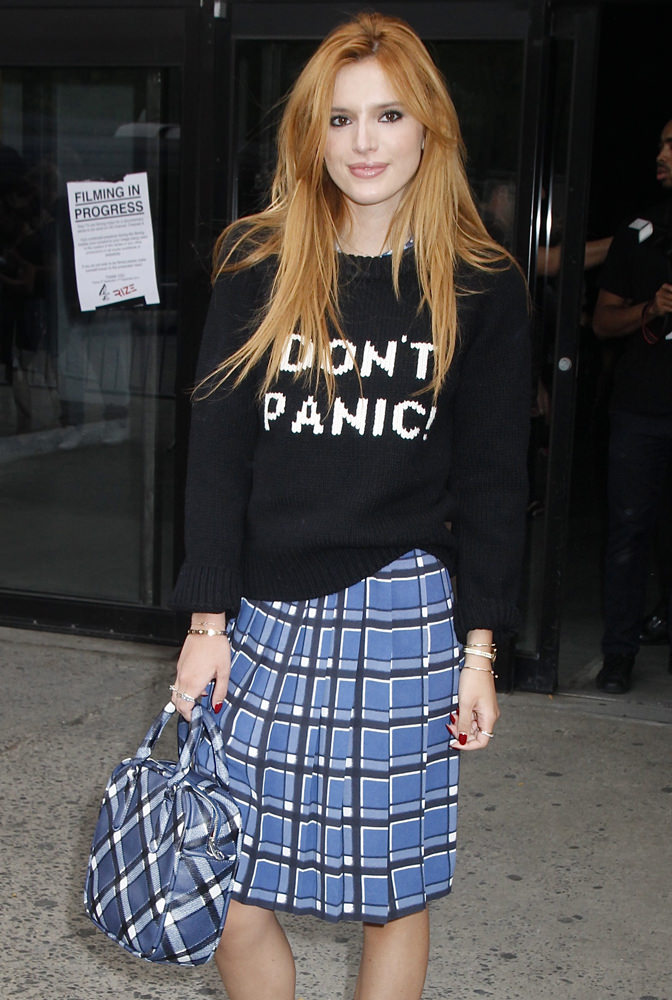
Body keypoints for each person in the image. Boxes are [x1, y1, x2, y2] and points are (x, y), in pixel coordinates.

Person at [170, 12, 530, 1000]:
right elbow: (217, 454)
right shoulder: (257, 260)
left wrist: (481, 649)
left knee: (393, 893)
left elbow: (498, 480)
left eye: (387, 115)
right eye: (339, 119)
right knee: (225, 877)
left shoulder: (481, 284)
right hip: (264, 610)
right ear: (310, 134)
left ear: (429, 130)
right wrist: (209, 621)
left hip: (402, 611)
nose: (364, 142)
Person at [593, 118, 672, 694]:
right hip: (642, 410)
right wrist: (651, 309)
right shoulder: (641, 233)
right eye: (661, 140)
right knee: (628, 530)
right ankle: (617, 654)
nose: (661, 153)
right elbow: (602, 321)